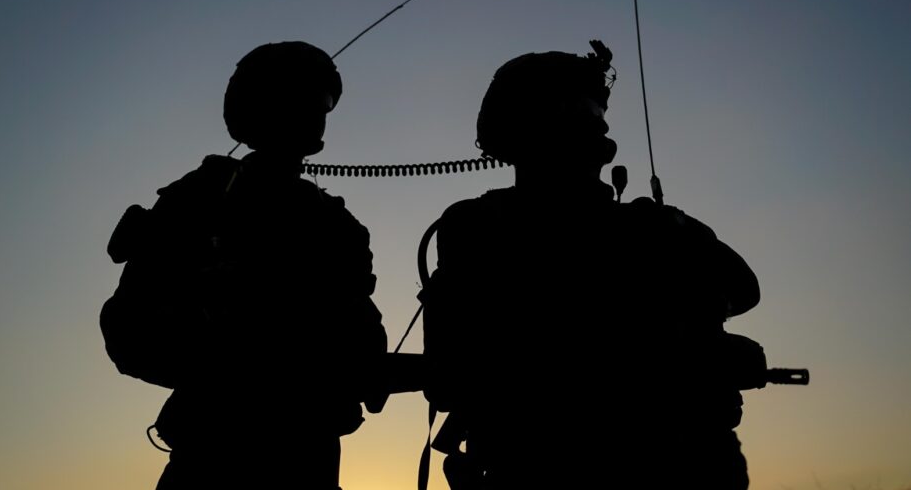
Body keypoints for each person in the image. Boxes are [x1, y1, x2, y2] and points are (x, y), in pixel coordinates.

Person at [421, 41, 760, 489]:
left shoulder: (651, 229)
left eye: (595, 117)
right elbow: (450, 377)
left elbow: (742, 289)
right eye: (582, 115)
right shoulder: (479, 228)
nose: (596, 130)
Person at [100, 41, 387, 489]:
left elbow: (363, 333)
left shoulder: (335, 223)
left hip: (308, 456)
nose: (316, 115)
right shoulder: (200, 199)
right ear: (260, 108)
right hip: (213, 453)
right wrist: (227, 349)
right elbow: (128, 332)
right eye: (303, 100)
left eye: (324, 103)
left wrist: (363, 368)